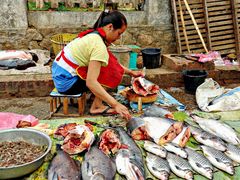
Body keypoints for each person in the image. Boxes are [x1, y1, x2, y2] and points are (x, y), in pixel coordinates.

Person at [52, 10, 144, 120]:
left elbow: (112, 62)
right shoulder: (98, 44)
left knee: (109, 65)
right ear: (110, 27)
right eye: (119, 33)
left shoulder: (94, 35)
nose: (119, 38)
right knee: (112, 73)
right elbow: (91, 82)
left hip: (60, 75)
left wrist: (130, 72)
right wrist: (116, 104)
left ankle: (97, 101)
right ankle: (97, 106)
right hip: (67, 83)